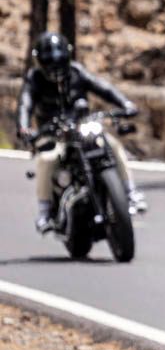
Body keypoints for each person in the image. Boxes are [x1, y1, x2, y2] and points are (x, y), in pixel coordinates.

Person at [17, 32, 144, 233]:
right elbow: (25, 105)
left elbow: (103, 87)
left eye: (59, 64)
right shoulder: (34, 79)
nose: (55, 70)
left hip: (81, 126)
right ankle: (44, 212)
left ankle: (131, 192)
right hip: (52, 132)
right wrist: (24, 128)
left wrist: (125, 103)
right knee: (47, 160)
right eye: (50, 64)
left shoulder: (77, 72)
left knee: (112, 144)